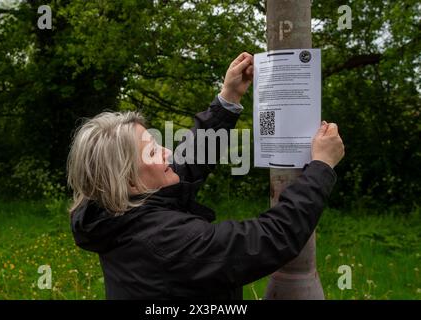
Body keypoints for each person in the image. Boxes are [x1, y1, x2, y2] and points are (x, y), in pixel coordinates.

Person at [68, 52, 345, 299]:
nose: (167, 153)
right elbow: (270, 238)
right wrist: (321, 166)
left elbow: (186, 165)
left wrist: (228, 99)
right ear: (128, 180)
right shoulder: (167, 241)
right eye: (152, 153)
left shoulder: (114, 210)